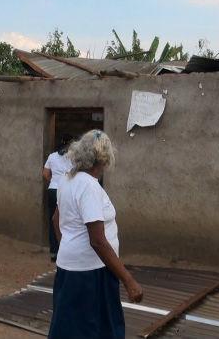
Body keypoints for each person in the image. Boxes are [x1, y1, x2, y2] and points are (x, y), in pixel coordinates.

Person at [48, 130, 143, 339]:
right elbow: (98, 241)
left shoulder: (67, 179)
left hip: (71, 267)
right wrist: (128, 280)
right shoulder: (88, 186)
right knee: (97, 329)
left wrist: (69, 248)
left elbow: (56, 219)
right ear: (103, 159)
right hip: (91, 273)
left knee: (70, 326)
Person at [42, 134, 73, 262]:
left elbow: (45, 174)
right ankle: (66, 251)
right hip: (66, 191)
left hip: (53, 191)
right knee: (66, 221)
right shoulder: (73, 157)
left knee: (52, 220)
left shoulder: (52, 156)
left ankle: (54, 252)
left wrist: (54, 182)